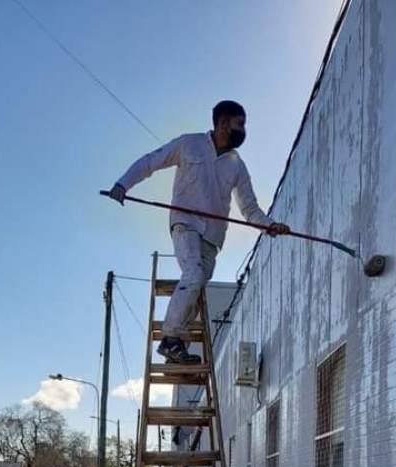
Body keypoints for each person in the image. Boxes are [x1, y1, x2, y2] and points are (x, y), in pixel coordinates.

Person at [107, 100, 290, 364]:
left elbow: (250, 209)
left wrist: (269, 226)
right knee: (192, 275)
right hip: (185, 225)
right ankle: (170, 339)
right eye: (240, 123)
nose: (243, 130)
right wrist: (123, 184)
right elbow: (151, 162)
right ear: (224, 122)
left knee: (196, 286)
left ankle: (176, 347)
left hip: (213, 237)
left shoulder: (237, 165)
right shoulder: (188, 144)